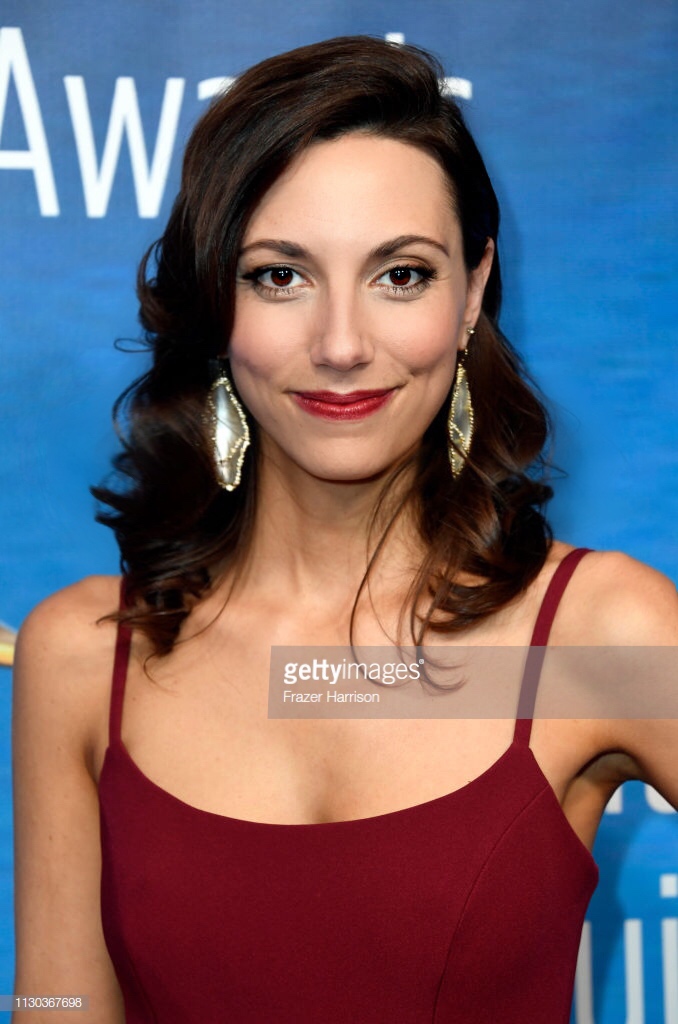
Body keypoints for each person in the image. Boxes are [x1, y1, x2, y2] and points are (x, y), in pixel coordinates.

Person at [12, 35, 678, 1024]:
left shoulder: (587, 643)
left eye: (400, 275)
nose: (340, 344)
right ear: (216, 302)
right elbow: (55, 1005)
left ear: (473, 289)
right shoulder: (85, 656)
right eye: (280, 276)